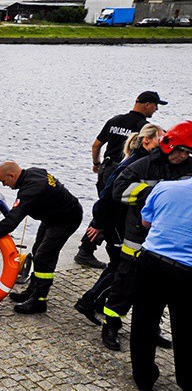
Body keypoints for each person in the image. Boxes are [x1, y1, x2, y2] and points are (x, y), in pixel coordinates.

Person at [100, 122, 192, 350]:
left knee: (156, 296)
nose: (183, 156)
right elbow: (118, 191)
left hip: (166, 243)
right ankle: (110, 325)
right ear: (169, 145)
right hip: (137, 239)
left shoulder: (188, 167)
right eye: (181, 150)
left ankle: (153, 331)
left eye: (188, 152)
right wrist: (156, 193)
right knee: (123, 285)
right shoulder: (143, 166)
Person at [74, 124, 164, 325]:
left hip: (121, 221)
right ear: (146, 140)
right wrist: (99, 224)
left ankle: (95, 303)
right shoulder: (134, 162)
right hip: (114, 222)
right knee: (119, 268)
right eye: (161, 138)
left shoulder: (150, 161)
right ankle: (88, 301)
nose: (165, 143)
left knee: (118, 267)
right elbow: (107, 195)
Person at [75, 91, 167, 268]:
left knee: (105, 205)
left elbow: (96, 145)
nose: (156, 110)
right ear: (147, 104)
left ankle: (86, 248)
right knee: (113, 210)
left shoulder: (115, 120)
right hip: (126, 170)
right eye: (156, 105)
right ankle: (92, 249)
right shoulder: (143, 126)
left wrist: (96, 163)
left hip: (106, 169)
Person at [0, 162, 83, 314]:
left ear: (12, 176)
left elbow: (13, 219)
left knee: (44, 256)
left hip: (66, 219)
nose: (4, 185)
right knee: (37, 249)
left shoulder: (30, 189)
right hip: (52, 217)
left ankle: (39, 300)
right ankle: (32, 290)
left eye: (4, 181)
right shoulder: (33, 173)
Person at [130, 175, 192, 391]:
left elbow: (146, 222)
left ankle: (144, 379)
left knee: (144, 322)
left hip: (152, 262)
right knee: (186, 328)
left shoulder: (165, 187)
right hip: (187, 270)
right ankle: (188, 390)